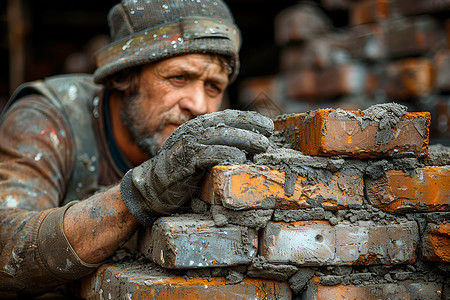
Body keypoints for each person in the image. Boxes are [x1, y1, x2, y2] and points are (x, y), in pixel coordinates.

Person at [0, 0, 274, 297]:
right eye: (178, 77)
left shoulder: (208, 145)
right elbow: (7, 245)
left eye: (213, 87)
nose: (198, 105)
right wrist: (142, 191)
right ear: (124, 76)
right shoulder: (45, 118)